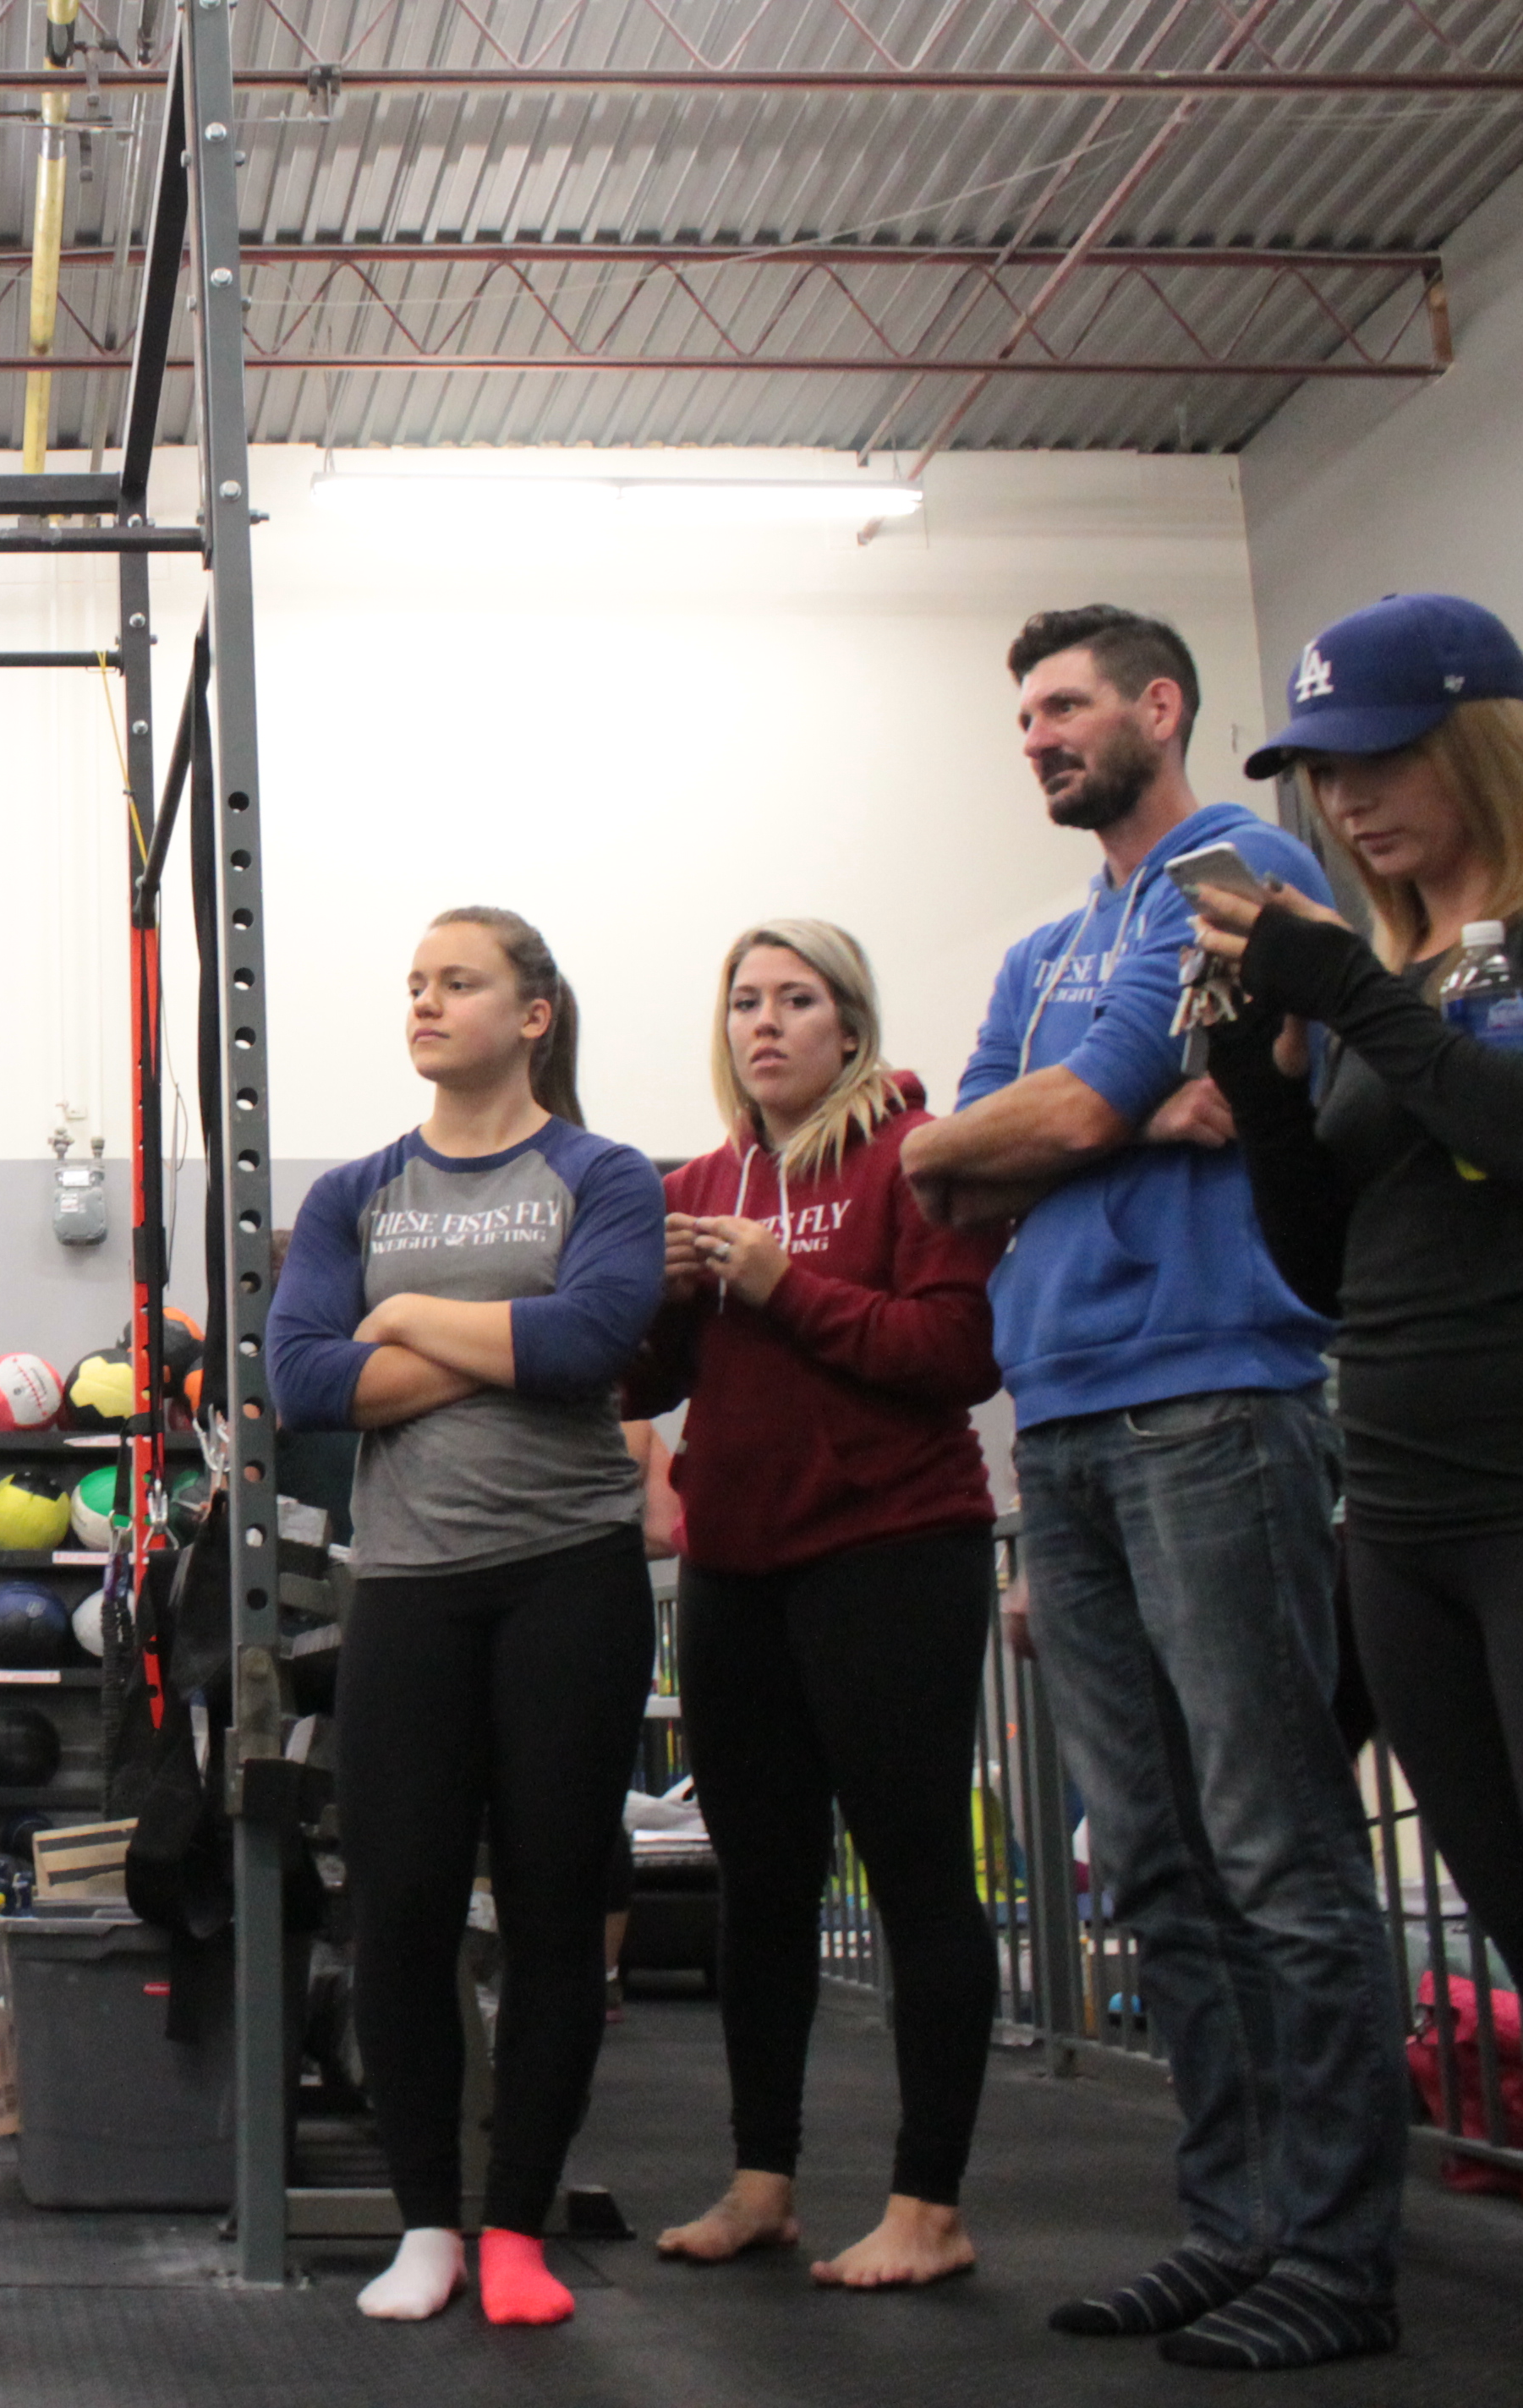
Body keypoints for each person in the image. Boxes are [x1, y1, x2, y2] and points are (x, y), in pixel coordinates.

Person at [897, 606, 1403, 2372]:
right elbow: (944, 1171)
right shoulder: (1046, 947)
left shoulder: (1235, 866)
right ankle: (1234, 2224)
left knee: (1275, 1846)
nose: (1036, 735)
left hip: (1214, 1393)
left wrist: (1076, 1118)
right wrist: (1046, 1123)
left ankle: (1335, 2253)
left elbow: (1065, 1115)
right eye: (1022, 715)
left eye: (1065, 705)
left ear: (1160, 705)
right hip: (1061, 1419)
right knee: (1158, 1863)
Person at [265, 906, 665, 2329]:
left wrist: (405, 1319)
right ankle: (425, 2220)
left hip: (569, 1573)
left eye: (458, 981)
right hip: (409, 1586)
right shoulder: (355, 1193)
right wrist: (502, 1341)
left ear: (533, 1013)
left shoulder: (602, 1175)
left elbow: (595, 1340)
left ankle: (516, 2231)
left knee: (555, 1904)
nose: (425, 1003)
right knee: (401, 1910)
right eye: (415, 984)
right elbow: (306, 1382)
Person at [627, 921, 1008, 2290]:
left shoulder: (917, 1157)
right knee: (763, 1884)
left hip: (892, 1548)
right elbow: (643, 1389)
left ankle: (929, 2205)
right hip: (737, 1564)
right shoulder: (700, 1182)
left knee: (915, 1872)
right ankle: (761, 2183)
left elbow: (956, 1352)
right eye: (745, 1000)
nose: (766, 1023)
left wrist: (785, 1288)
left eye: (796, 1000)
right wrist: (660, 1301)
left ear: (849, 1024)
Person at [1197, 593, 1523, 2062]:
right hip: (1398, 1510)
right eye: (1323, 773)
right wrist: (1262, 1090)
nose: (1345, 800)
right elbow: (1330, 1269)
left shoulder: (1415, 989)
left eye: (1380, 758)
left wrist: (1351, 994)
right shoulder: (1399, 981)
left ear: (1480, 744)